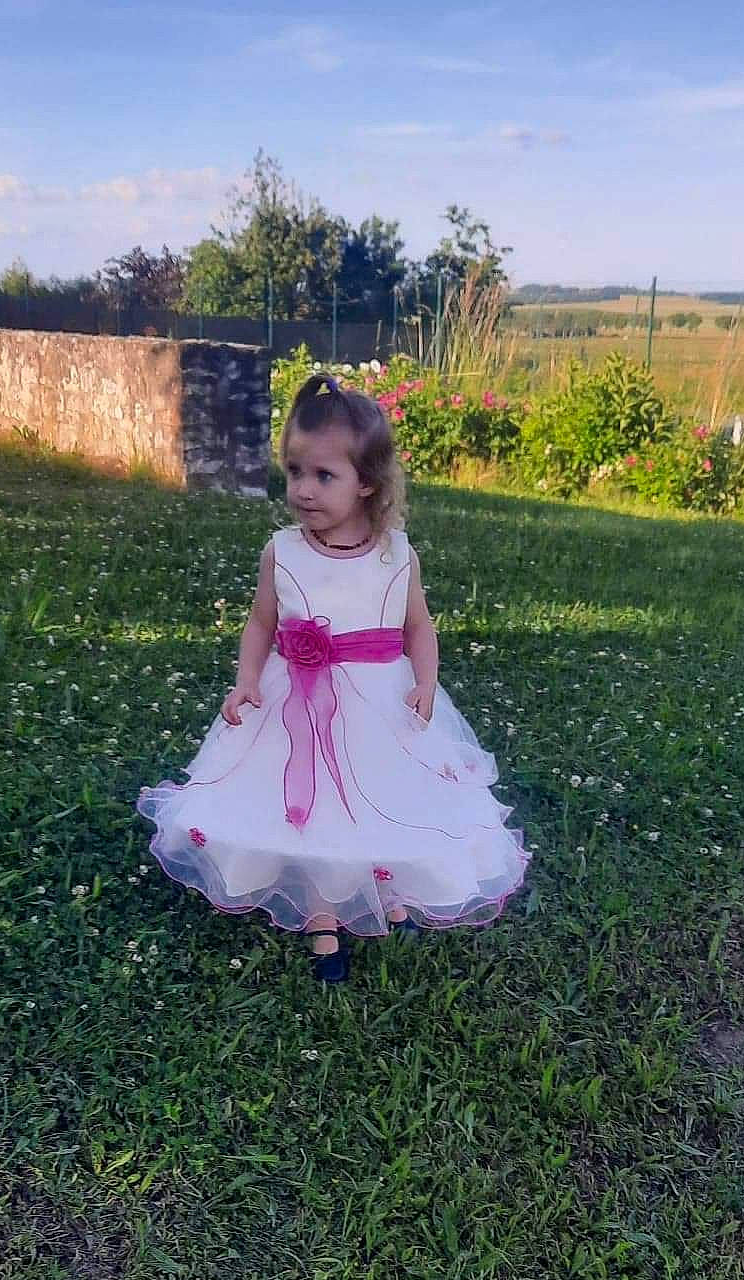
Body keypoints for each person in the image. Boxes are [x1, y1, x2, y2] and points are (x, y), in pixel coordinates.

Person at [138, 372, 529, 983]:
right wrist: (246, 679)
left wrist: (425, 682)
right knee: (310, 806)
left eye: (324, 476)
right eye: (294, 471)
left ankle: (378, 882)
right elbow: (262, 622)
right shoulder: (282, 551)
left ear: (367, 481)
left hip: (379, 702)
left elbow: (418, 627)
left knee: (381, 794)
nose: (303, 490)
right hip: (294, 701)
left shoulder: (395, 553)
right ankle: (322, 913)